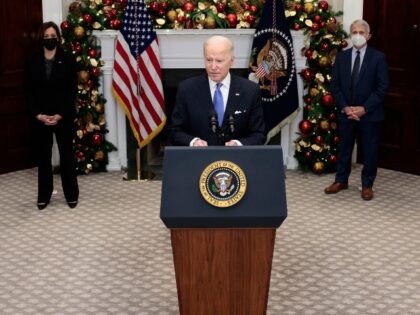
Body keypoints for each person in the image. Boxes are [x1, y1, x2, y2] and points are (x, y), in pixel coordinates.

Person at [325, 19, 389, 200]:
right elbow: (335, 86)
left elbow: (382, 87)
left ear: (368, 36)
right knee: (344, 148)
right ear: (350, 35)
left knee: (369, 150)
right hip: (346, 113)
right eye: (354, 32)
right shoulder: (342, 57)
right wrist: (345, 108)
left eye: (361, 32)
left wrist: (364, 108)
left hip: (370, 115)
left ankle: (367, 185)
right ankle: (341, 180)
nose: (357, 35)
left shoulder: (378, 58)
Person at [168, 35, 266, 146]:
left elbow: (258, 134)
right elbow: (175, 131)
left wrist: (238, 144)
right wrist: (193, 142)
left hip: (237, 161)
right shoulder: (187, 89)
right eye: (209, 60)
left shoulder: (250, 90)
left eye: (219, 61)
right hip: (199, 160)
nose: (213, 67)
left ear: (232, 61)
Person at [24, 21, 79, 210]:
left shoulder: (68, 59)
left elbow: (71, 91)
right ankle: (44, 195)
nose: (49, 39)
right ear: (41, 38)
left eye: (52, 36)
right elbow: (28, 91)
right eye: (46, 37)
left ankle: (71, 194)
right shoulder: (32, 60)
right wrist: (38, 115)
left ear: (58, 38)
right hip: (40, 118)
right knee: (43, 158)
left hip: (62, 116)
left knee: (66, 155)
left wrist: (60, 114)